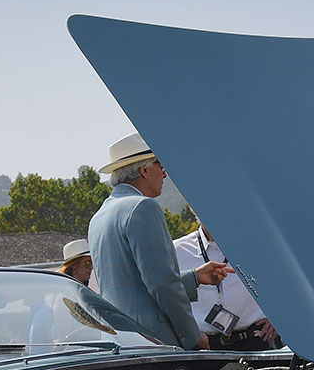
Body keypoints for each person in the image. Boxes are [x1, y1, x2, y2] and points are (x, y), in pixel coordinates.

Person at [87, 132, 229, 349]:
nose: (164, 175)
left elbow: (131, 288)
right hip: (153, 342)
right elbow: (163, 286)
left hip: (119, 342)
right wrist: (193, 337)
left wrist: (194, 278)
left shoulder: (100, 217)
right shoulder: (143, 208)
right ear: (144, 170)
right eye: (160, 167)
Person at [172, 225, 280, 351]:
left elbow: (286, 283)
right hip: (201, 347)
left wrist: (280, 317)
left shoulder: (257, 244)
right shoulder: (176, 250)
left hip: (258, 341)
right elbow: (164, 295)